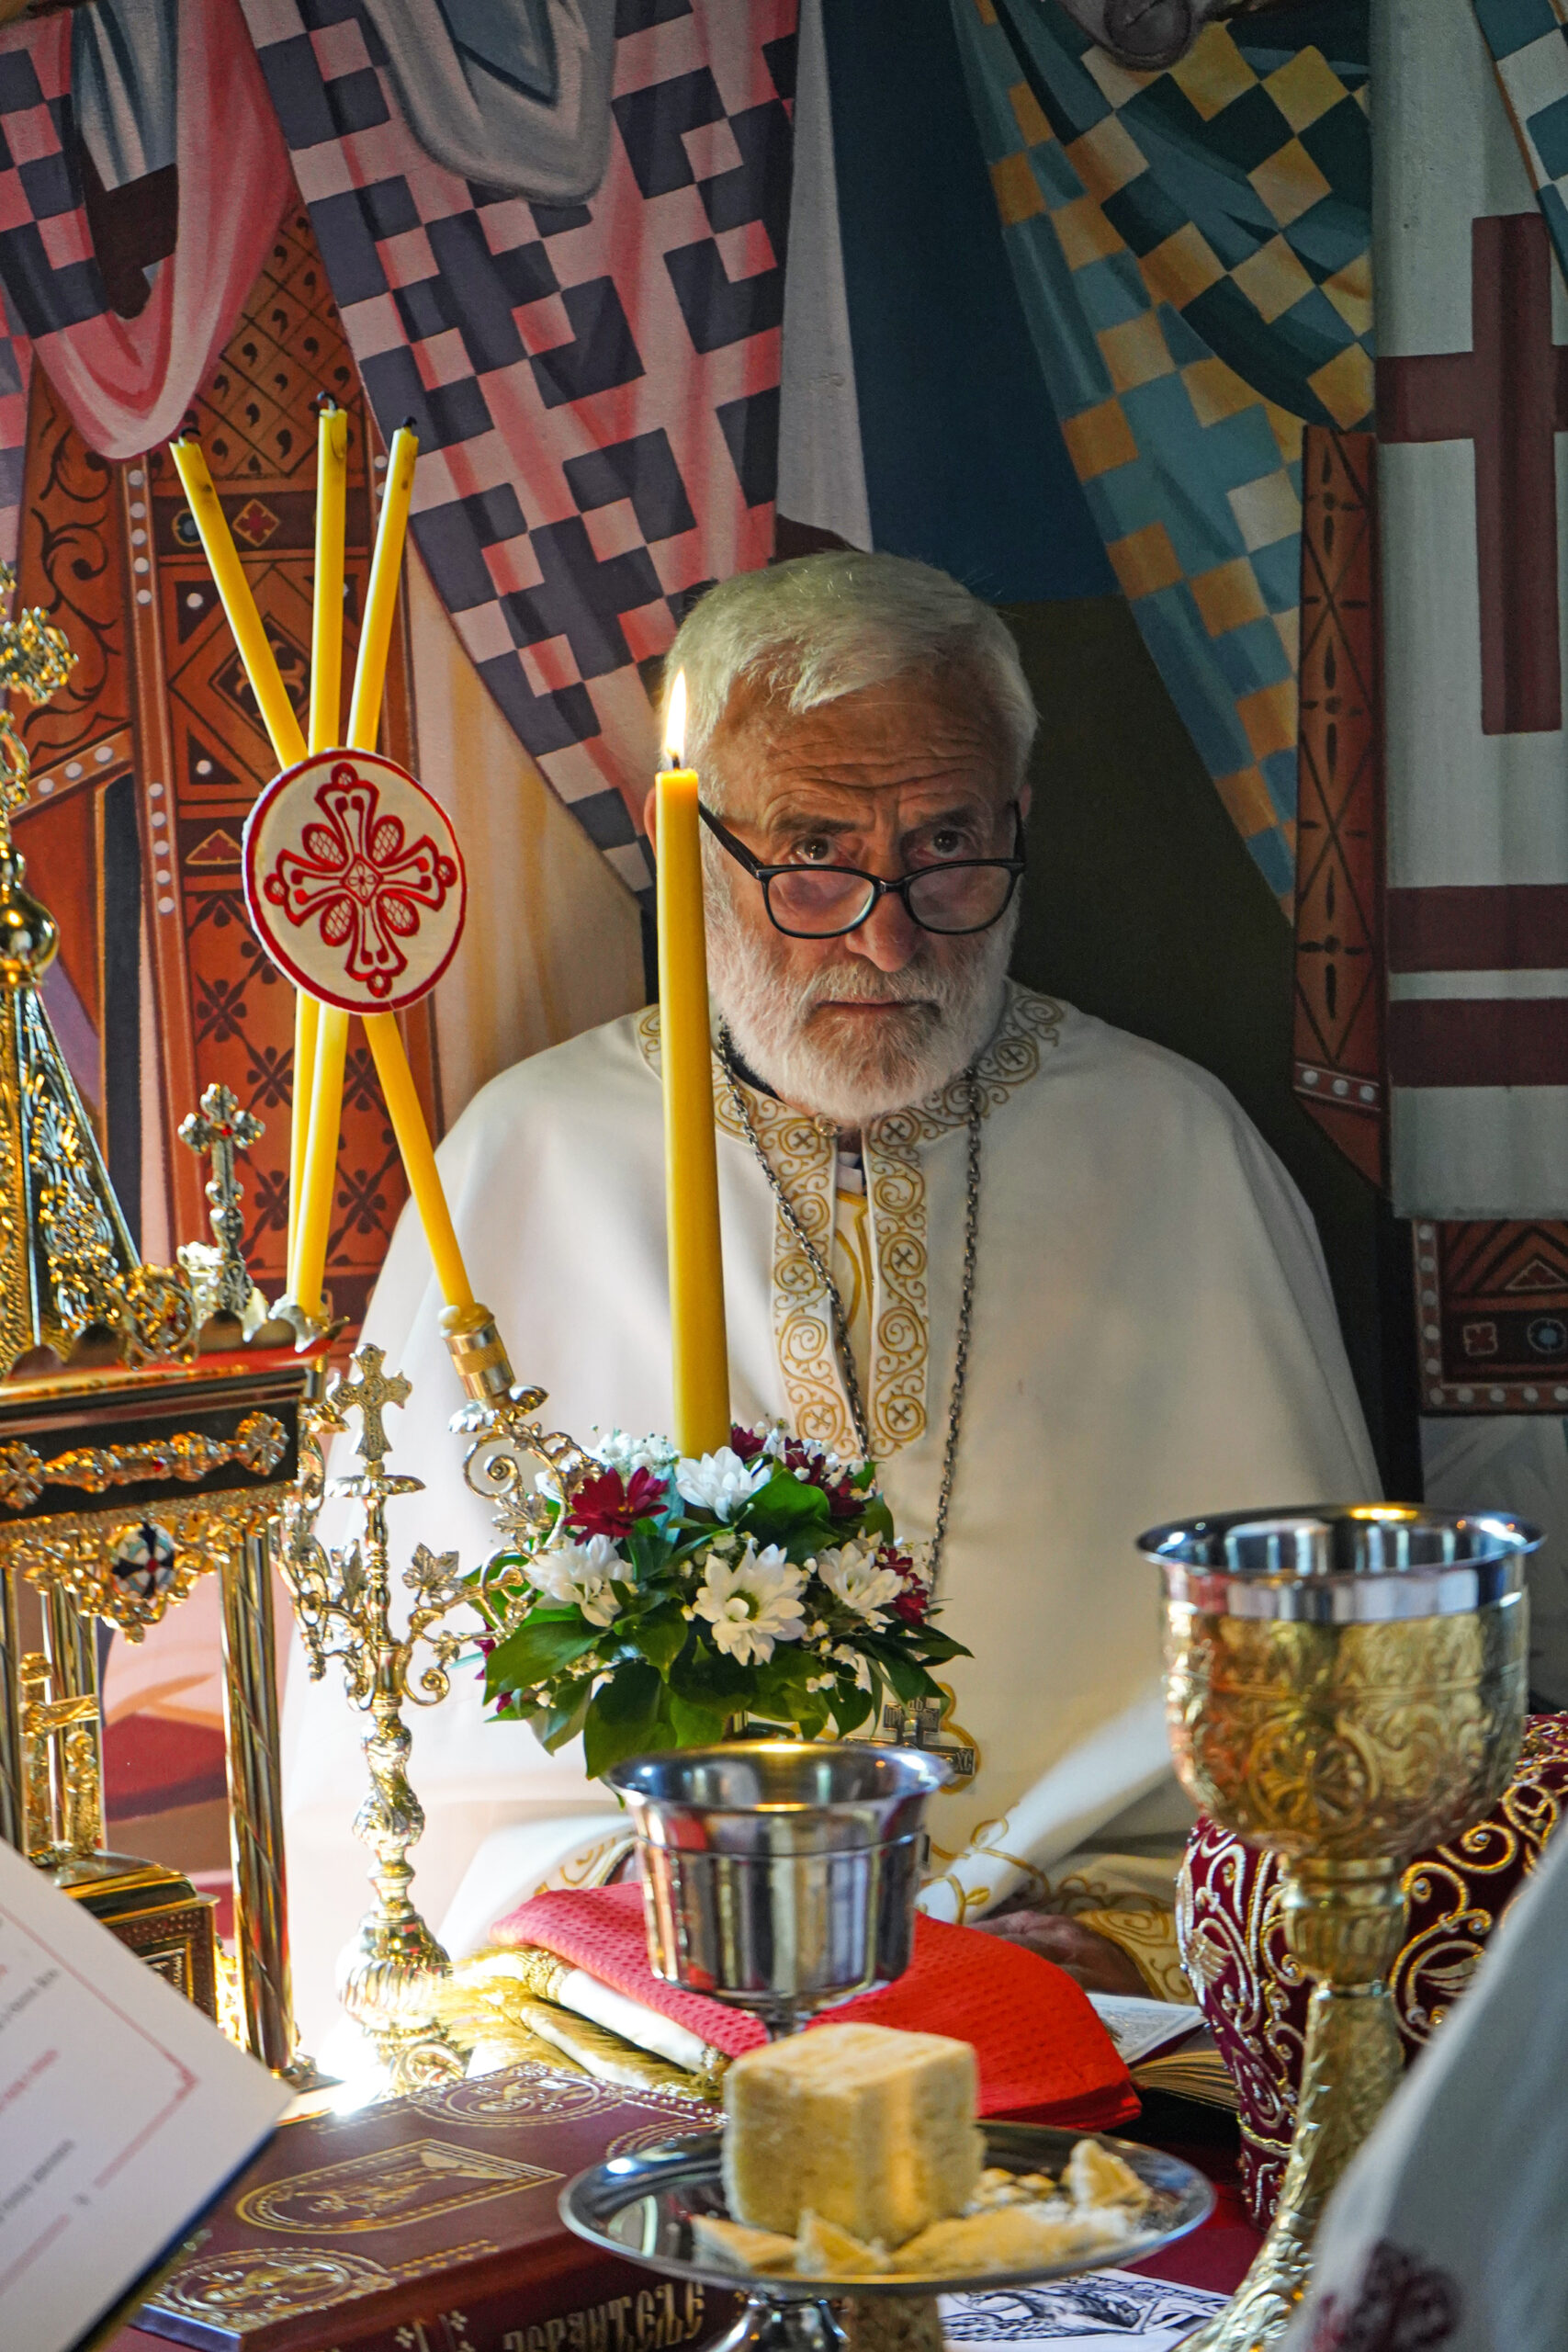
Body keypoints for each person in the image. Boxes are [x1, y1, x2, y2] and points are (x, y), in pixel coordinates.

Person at [282, 551, 1377, 2059]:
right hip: (659, 2019)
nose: (887, 935)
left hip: (1102, 2004)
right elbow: (414, 1775)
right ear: (689, 841)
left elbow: (1329, 1723)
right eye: (813, 852)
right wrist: (696, 1924)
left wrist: (1145, 1938)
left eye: (947, 847)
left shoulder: (1173, 1150)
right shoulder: (525, 1167)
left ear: (1019, 824)